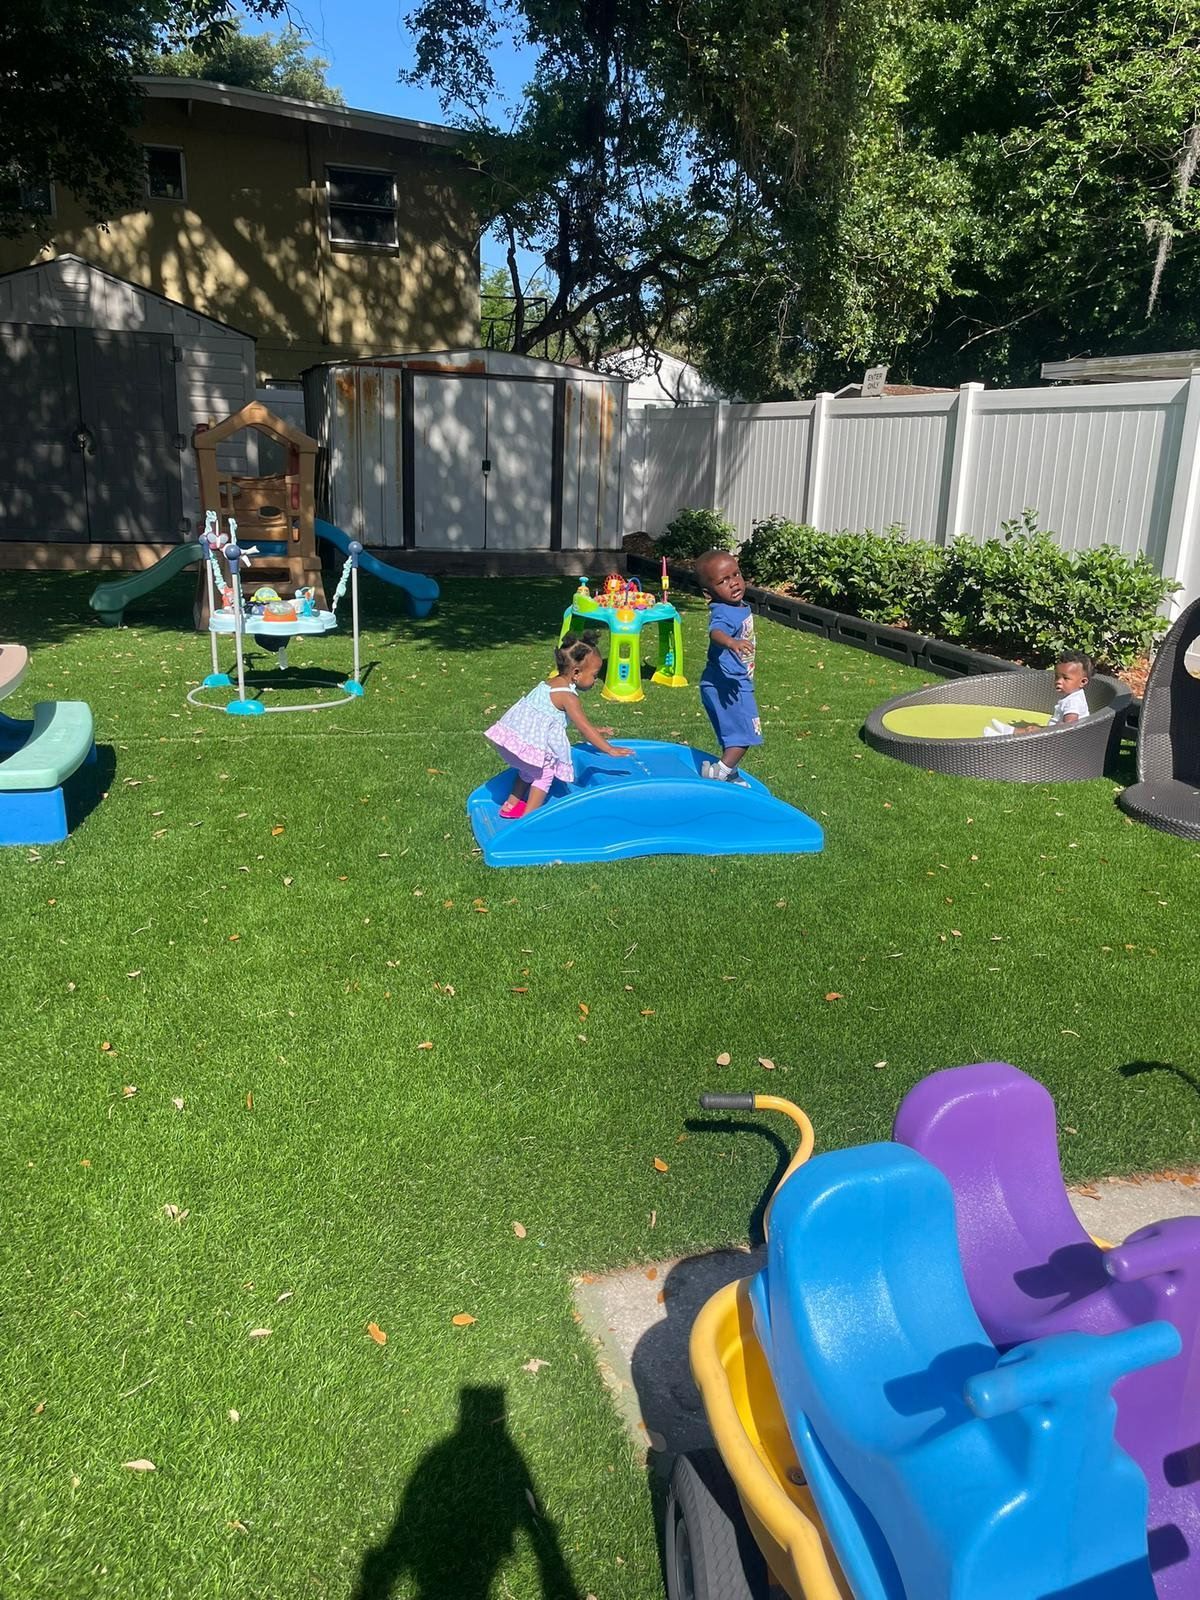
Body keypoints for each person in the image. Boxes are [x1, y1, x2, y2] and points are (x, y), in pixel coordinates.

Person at [484, 632, 633, 818]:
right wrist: (609, 749)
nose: (595, 680)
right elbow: (583, 728)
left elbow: (575, 723)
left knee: (529, 770)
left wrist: (596, 730)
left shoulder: (551, 683)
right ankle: (530, 818)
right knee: (545, 774)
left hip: (511, 740)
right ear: (576, 673)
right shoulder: (568, 697)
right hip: (521, 743)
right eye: (594, 675)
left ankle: (510, 805)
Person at [695, 549, 760, 784]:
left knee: (733, 731)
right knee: (745, 734)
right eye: (724, 581)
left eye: (736, 574)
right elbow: (716, 632)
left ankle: (729, 773)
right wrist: (731, 642)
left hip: (723, 680)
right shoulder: (722, 611)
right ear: (708, 592)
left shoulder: (736, 605)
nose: (734, 583)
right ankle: (719, 774)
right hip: (730, 683)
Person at [984, 653, 1093, 737]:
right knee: (1030, 729)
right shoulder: (1075, 695)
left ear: (1082, 682)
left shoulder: (1073, 701)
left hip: (1060, 739)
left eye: (1065, 678)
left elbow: (1069, 726)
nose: (1059, 681)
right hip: (1057, 733)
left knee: (1031, 732)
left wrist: (1043, 730)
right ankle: (1007, 731)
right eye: (1057, 676)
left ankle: (998, 738)